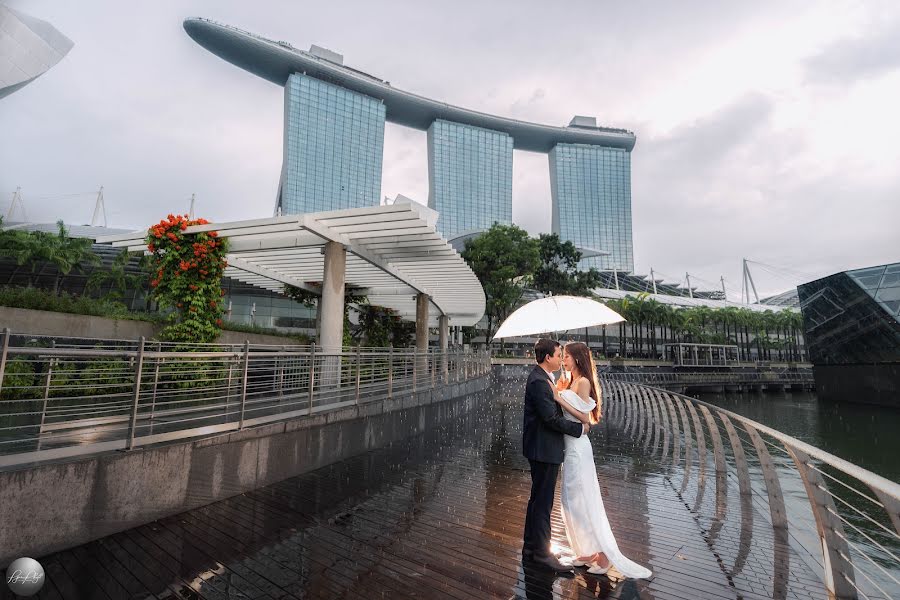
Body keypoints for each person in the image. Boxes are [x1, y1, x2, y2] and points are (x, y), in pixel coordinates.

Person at [553, 341, 653, 579]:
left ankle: (604, 555)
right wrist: (559, 390)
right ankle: (586, 551)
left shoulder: (584, 382)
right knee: (571, 500)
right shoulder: (568, 381)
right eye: (562, 356)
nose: (563, 360)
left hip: (578, 448)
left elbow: (584, 418)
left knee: (584, 499)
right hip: (569, 447)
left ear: (577, 359)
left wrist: (560, 399)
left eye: (566, 356)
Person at [522, 338, 588, 573]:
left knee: (537, 500)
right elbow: (550, 418)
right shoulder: (540, 381)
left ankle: (531, 548)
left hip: (540, 448)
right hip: (543, 449)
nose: (561, 359)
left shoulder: (543, 378)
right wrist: (578, 429)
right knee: (542, 503)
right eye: (559, 355)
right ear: (548, 357)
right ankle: (542, 554)